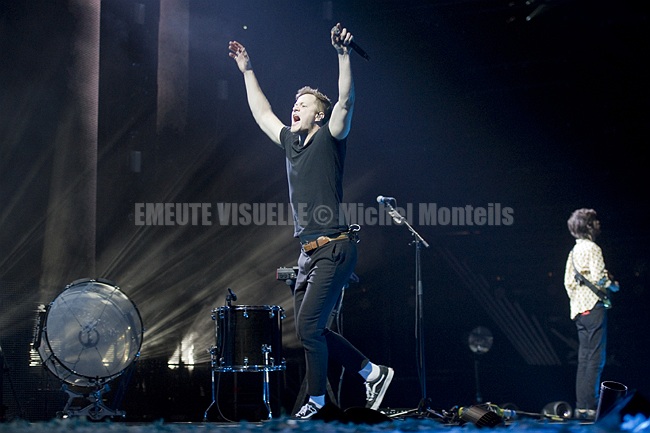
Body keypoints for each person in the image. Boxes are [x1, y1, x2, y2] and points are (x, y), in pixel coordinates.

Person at [228, 24, 394, 420]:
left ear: (318, 113)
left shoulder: (330, 136)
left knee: (308, 329)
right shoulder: (291, 142)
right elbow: (262, 113)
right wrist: (247, 71)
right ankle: (373, 373)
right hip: (308, 254)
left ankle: (318, 400)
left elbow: (346, 101)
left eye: (303, 104)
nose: (296, 107)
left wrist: (343, 55)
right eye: (295, 104)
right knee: (311, 331)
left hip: (335, 248)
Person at [563, 208, 619, 420]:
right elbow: (598, 277)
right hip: (594, 306)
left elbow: (568, 282)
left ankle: (582, 407)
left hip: (579, 310)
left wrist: (578, 300)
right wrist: (613, 285)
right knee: (596, 358)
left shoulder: (573, 252)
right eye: (595, 221)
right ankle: (592, 405)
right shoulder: (593, 248)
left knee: (584, 358)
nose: (598, 224)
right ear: (588, 226)